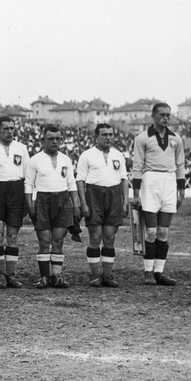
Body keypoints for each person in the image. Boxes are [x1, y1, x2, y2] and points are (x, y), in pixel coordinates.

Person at [130, 103, 186, 286]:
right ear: (153, 116)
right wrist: (136, 193)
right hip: (151, 179)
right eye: (162, 115)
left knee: (163, 231)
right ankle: (147, 271)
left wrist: (181, 190)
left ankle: (159, 272)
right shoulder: (142, 138)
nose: (166, 118)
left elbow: (180, 165)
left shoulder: (176, 138)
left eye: (168, 115)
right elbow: (137, 165)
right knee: (151, 231)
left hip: (169, 182)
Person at [24, 124, 81, 289]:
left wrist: (76, 204)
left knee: (58, 240)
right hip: (42, 200)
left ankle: (56, 276)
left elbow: (71, 183)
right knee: (44, 240)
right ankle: (43, 277)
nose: (54, 142)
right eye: (51, 138)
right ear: (43, 140)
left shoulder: (66, 159)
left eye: (57, 139)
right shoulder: (35, 160)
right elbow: (28, 184)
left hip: (63, 200)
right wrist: (30, 206)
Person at [75, 123, 129, 288]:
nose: (108, 138)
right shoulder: (87, 155)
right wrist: (83, 203)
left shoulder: (118, 155)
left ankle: (107, 275)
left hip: (114, 196)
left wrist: (125, 201)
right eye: (104, 134)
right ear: (96, 137)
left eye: (111, 134)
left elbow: (124, 179)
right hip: (94, 195)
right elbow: (80, 180)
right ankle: (95, 275)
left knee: (110, 237)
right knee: (95, 236)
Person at [0, 116, 30, 289]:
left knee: (13, 236)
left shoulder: (22, 148)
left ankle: (11, 275)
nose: (9, 131)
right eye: (6, 129)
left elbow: (27, 177)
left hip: (16, 190)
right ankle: (0, 274)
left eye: (12, 128)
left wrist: (26, 198)